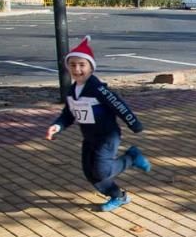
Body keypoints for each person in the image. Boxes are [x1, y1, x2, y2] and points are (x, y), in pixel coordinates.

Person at [45, 36, 151, 212]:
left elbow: (118, 105)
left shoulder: (97, 88)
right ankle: (119, 196)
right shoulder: (73, 90)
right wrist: (58, 126)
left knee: (102, 171)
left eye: (82, 65)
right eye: (73, 65)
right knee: (90, 173)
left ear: (91, 67)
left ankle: (132, 158)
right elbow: (69, 114)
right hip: (89, 138)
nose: (77, 69)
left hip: (107, 136)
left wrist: (135, 124)